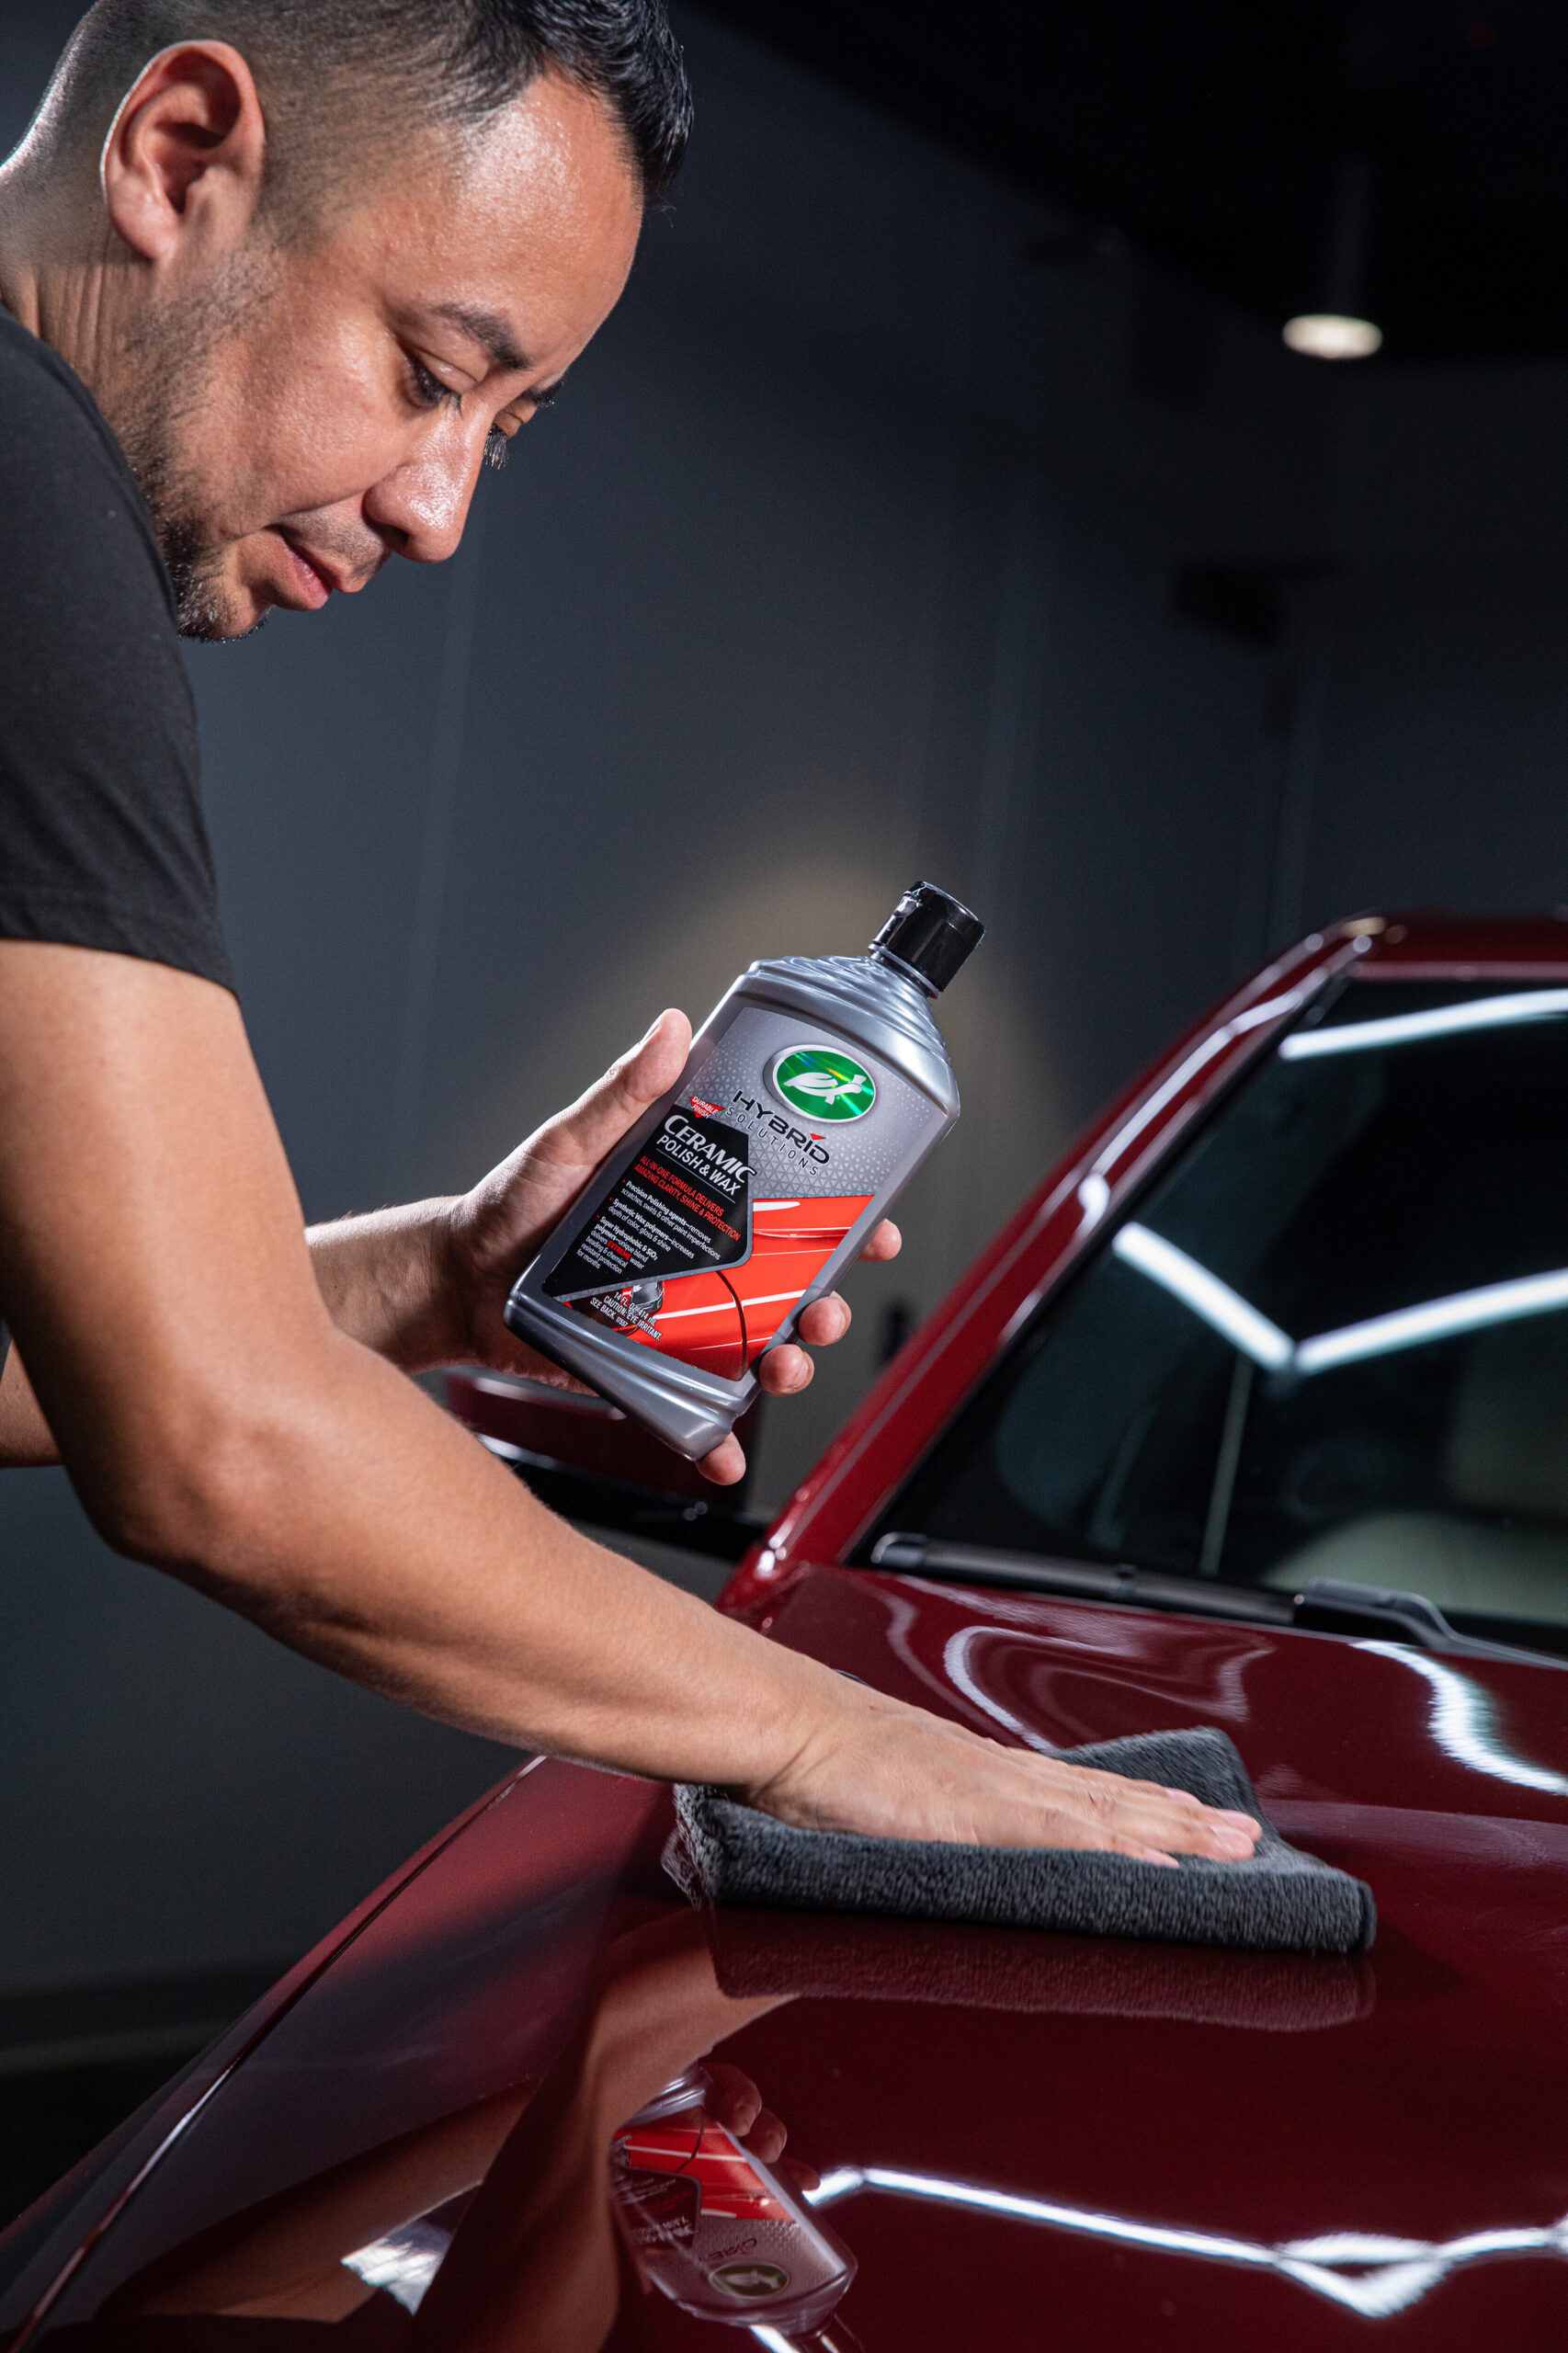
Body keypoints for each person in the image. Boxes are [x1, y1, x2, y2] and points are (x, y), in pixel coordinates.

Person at [0, 0, 1256, 1868]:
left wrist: (434, 1277)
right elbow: (219, 1448)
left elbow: (118, 1368)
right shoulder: (27, 502)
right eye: (428, 370)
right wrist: (830, 1734)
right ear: (176, 154)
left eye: (502, 432)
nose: (437, 509)